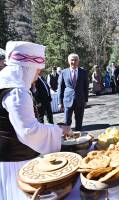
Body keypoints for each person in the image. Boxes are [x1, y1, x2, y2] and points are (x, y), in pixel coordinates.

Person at [0, 41, 71, 200]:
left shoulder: (5, 82)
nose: (37, 77)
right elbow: (29, 131)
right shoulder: (17, 91)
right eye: (37, 72)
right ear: (27, 68)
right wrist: (59, 131)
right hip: (15, 162)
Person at [58, 53, 89, 131]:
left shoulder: (83, 72)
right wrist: (60, 102)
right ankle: (67, 140)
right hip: (68, 101)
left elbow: (86, 87)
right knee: (66, 122)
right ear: (69, 61)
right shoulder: (64, 72)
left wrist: (86, 100)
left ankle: (79, 139)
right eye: (72, 60)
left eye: (75, 60)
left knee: (79, 122)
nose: (74, 62)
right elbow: (60, 88)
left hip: (80, 100)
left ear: (78, 61)